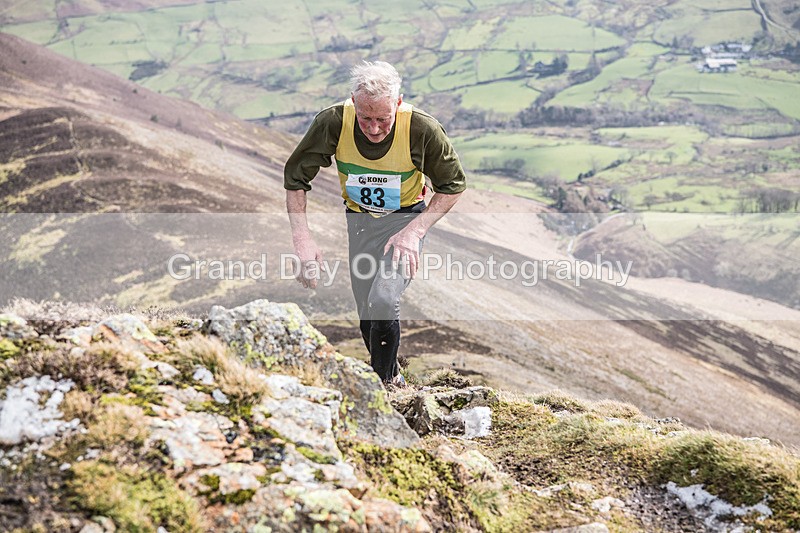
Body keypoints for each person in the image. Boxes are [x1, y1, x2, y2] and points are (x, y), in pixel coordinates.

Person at [284, 60, 466, 386]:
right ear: (354, 103)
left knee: (383, 299)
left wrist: (414, 232)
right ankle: (394, 378)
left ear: (397, 103)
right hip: (359, 223)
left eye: (383, 118)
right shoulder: (334, 122)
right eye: (366, 118)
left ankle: (382, 392)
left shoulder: (421, 128)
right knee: (368, 319)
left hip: (404, 222)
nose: (374, 128)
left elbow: (452, 185)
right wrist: (302, 239)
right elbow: (296, 177)